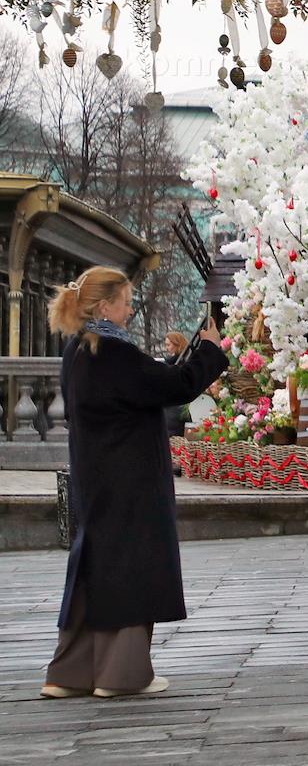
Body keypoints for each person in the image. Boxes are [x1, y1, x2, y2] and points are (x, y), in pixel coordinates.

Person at [41, 266, 228, 699]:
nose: (130, 310)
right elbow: (175, 385)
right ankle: (120, 675)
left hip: (95, 477)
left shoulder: (77, 350)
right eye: (125, 302)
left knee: (94, 567)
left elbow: (147, 385)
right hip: (131, 480)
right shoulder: (114, 353)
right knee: (131, 566)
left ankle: (69, 674)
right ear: (105, 306)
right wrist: (210, 350)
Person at [162, 331, 189, 439]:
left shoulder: (179, 365)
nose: (166, 348)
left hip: (176, 410)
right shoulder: (171, 363)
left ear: (177, 345)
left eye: (168, 345)